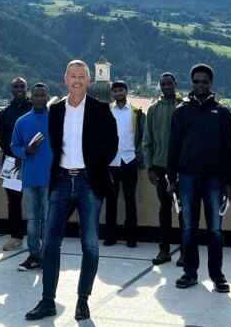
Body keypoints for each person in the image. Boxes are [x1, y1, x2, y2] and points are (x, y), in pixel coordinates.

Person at [25, 60, 118, 322]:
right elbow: (55, 144)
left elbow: (112, 144)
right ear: (65, 79)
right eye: (72, 75)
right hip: (63, 180)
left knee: (90, 245)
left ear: (88, 80)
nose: (77, 80)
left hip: (90, 182)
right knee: (51, 243)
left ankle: (83, 301)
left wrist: (95, 166)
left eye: (81, 76)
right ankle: (47, 301)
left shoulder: (100, 110)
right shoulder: (55, 111)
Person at [167, 64, 231, 293]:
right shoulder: (181, 111)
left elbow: (230, 149)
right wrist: (171, 179)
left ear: (211, 84)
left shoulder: (222, 112)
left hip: (215, 179)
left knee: (215, 229)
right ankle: (189, 273)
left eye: (204, 82)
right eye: (196, 81)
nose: (200, 85)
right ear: (191, 83)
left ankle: (217, 275)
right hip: (186, 177)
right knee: (188, 227)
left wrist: (230, 181)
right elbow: (173, 148)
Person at [142, 72, 184, 266]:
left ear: (175, 84)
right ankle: (164, 251)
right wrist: (149, 166)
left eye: (169, 83)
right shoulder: (153, 109)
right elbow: (147, 140)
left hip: (183, 167)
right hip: (160, 166)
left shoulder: (183, 107)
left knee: (184, 211)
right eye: (163, 84)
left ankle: (185, 252)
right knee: (164, 209)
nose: (166, 86)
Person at [11, 82, 53, 271]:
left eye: (43, 95)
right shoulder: (22, 121)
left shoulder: (55, 119)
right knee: (33, 218)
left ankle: (47, 255)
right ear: (31, 96)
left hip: (50, 177)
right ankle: (34, 254)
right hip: (29, 178)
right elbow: (14, 146)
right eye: (36, 95)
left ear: (47, 96)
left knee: (47, 218)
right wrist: (26, 151)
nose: (39, 99)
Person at [104, 80, 144, 248]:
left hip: (129, 160)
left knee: (130, 200)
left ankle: (131, 237)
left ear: (126, 91)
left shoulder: (136, 112)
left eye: (121, 90)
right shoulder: (106, 111)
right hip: (111, 162)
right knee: (111, 201)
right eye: (115, 91)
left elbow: (142, 136)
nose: (118, 93)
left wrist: (139, 157)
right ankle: (110, 236)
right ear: (112, 93)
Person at [0, 77, 31, 252]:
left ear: (27, 89)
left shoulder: (35, 110)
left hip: (33, 162)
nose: (19, 89)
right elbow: (1, 137)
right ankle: (15, 236)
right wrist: (17, 153)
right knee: (13, 202)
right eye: (16, 86)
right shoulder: (4, 113)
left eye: (22, 87)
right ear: (11, 89)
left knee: (35, 202)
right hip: (11, 162)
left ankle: (35, 237)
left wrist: (25, 154)